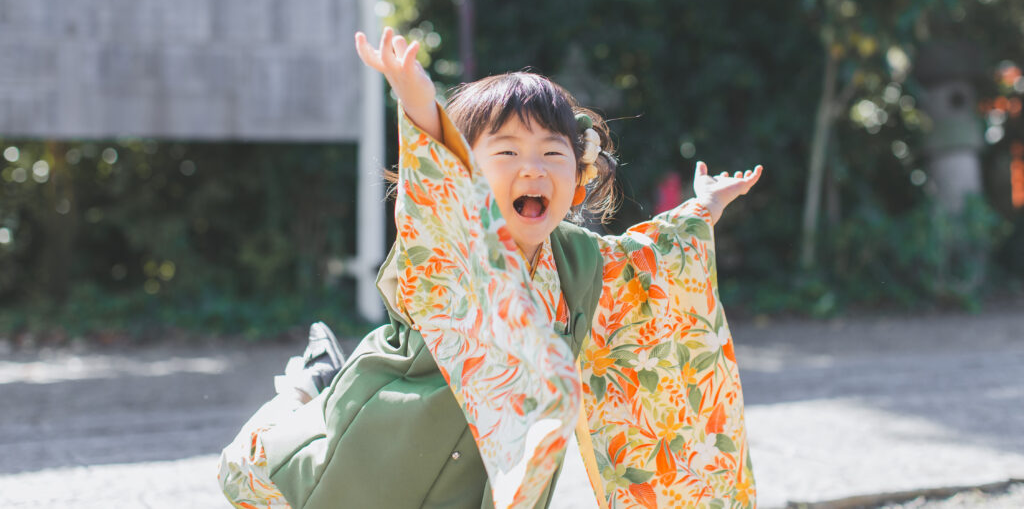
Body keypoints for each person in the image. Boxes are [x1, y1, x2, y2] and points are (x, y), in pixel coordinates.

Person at [219, 28, 763, 509]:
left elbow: (650, 265)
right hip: (389, 439)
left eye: (553, 154)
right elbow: (436, 177)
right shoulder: (455, 237)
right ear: (467, 175)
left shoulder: (581, 260)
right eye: (505, 153)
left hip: (488, 475)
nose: (532, 168)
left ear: (579, 172)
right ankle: (308, 388)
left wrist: (704, 208)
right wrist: (413, 93)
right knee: (270, 474)